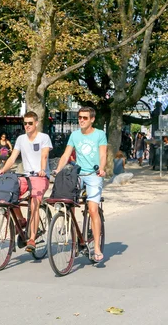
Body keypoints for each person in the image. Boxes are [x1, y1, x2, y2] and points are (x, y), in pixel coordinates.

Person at [54, 107, 107, 263]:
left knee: (92, 209)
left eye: (85, 117)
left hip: (93, 175)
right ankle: (74, 232)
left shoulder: (99, 134)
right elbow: (66, 154)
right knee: (66, 200)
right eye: (79, 117)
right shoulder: (74, 135)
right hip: (77, 174)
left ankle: (96, 247)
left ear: (92, 119)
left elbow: (103, 154)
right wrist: (58, 169)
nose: (81, 120)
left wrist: (102, 168)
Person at [0, 111, 52, 252]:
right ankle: (21, 220)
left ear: (36, 123)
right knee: (9, 193)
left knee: (34, 204)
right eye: (25, 123)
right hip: (26, 176)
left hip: (40, 176)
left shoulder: (43, 137)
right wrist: (3, 169)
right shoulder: (21, 139)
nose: (27, 126)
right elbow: (12, 157)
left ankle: (32, 239)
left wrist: (42, 169)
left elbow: (44, 155)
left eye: (30, 123)